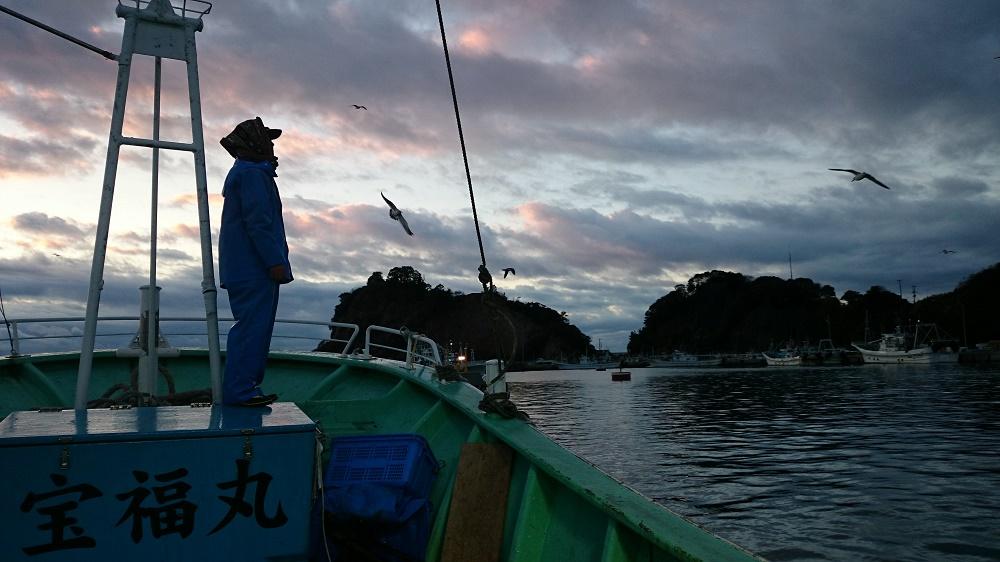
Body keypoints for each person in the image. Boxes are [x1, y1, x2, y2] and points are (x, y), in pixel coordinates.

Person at [218, 117, 293, 406]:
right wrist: (275, 262)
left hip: (243, 268)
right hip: (254, 269)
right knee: (252, 329)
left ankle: (246, 387)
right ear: (255, 143)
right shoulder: (252, 175)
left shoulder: (245, 173)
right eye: (268, 139)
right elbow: (259, 223)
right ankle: (240, 391)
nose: (272, 145)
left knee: (252, 327)